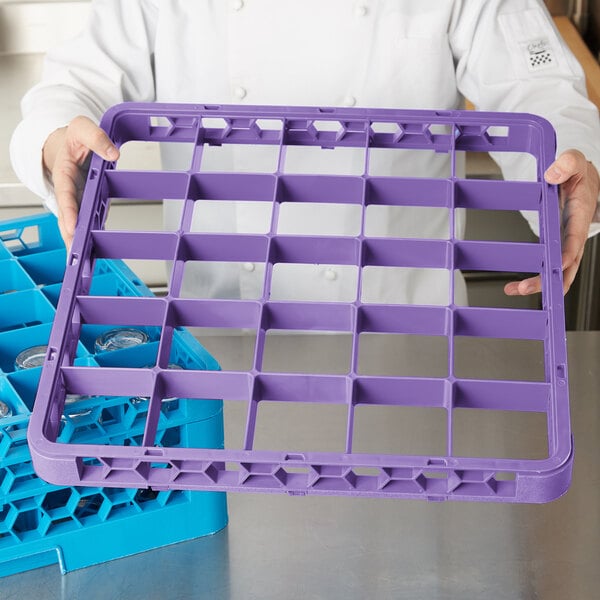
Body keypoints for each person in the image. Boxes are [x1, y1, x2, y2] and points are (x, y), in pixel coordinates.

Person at [10, 0, 600, 305]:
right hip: (221, 330)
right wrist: (57, 135)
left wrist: (573, 166)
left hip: (409, 333)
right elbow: (72, 84)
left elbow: (538, 91)